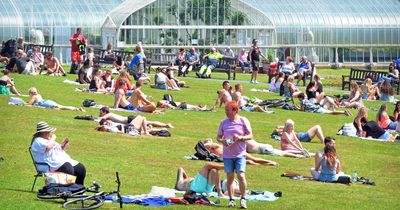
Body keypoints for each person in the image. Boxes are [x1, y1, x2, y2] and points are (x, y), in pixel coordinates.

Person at [216, 101, 252, 208]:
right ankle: (231, 199)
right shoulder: (223, 122)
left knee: (241, 175)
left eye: (228, 111)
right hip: (227, 155)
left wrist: (241, 137)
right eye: (225, 111)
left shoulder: (243, 120)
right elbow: (218, 137)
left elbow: (250, 135)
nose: (226, 113)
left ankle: (243, 198)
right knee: (230, 177)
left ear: (235, 110)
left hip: (240, 153)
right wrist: (222, 141)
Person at [203, 138, 277, 166]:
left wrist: (207, 143)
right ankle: (267, 164)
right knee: (249, 162)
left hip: (235, 152)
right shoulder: (211, 153)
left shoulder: (215, 145)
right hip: (233, 155)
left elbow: (207, 145)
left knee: (253, 159)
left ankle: (270, 161)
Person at [99, 106, 173, 128]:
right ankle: (165, 125)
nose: (100, 114)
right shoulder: (110, 116)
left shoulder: (109, 114)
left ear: (104, 112)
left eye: (101, 113)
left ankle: (166, 125)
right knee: (148, 122)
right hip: (129, 119)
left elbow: (101, 120)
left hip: (129, 119)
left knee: (147, 122)